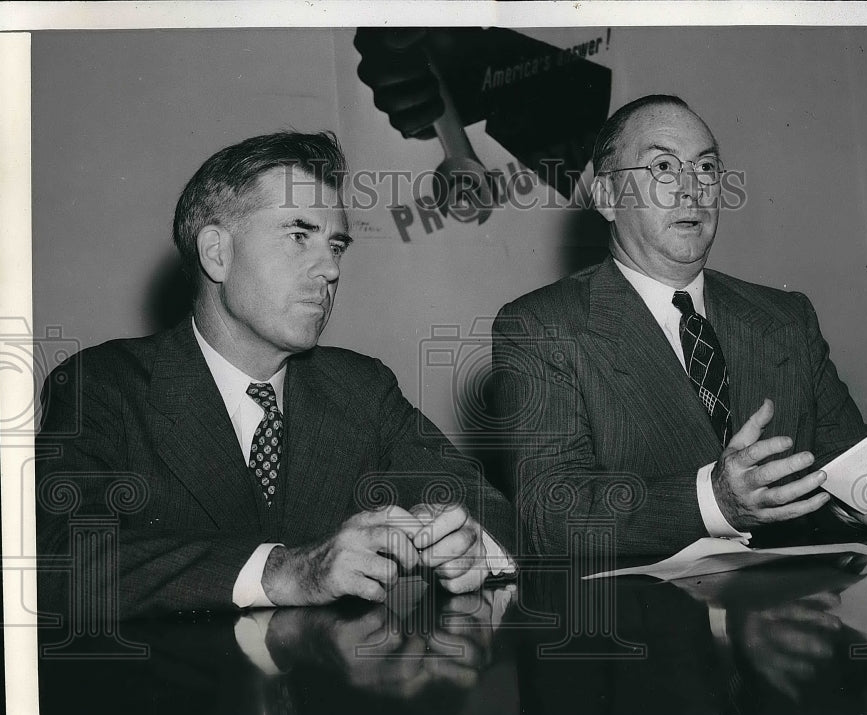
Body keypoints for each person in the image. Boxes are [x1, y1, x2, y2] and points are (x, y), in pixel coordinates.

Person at [35, 131, 515, 620]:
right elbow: (56, 558)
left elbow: (493, 511)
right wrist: (283, 570)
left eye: (336, 245)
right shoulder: (99, 385)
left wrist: (471, 544)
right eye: (298, 236)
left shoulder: (361, 389)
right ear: (217, 254)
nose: (330, 268)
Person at [491, 94, 867, 557]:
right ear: (607, 198)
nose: (692, 189)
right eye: (663, 167)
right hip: (642, 620)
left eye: (706, 169)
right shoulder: (541, 327)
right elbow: (546, 517)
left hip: (791, 611)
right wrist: (714, 500)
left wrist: (862, 499)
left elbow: (842, 463)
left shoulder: (785, 318)